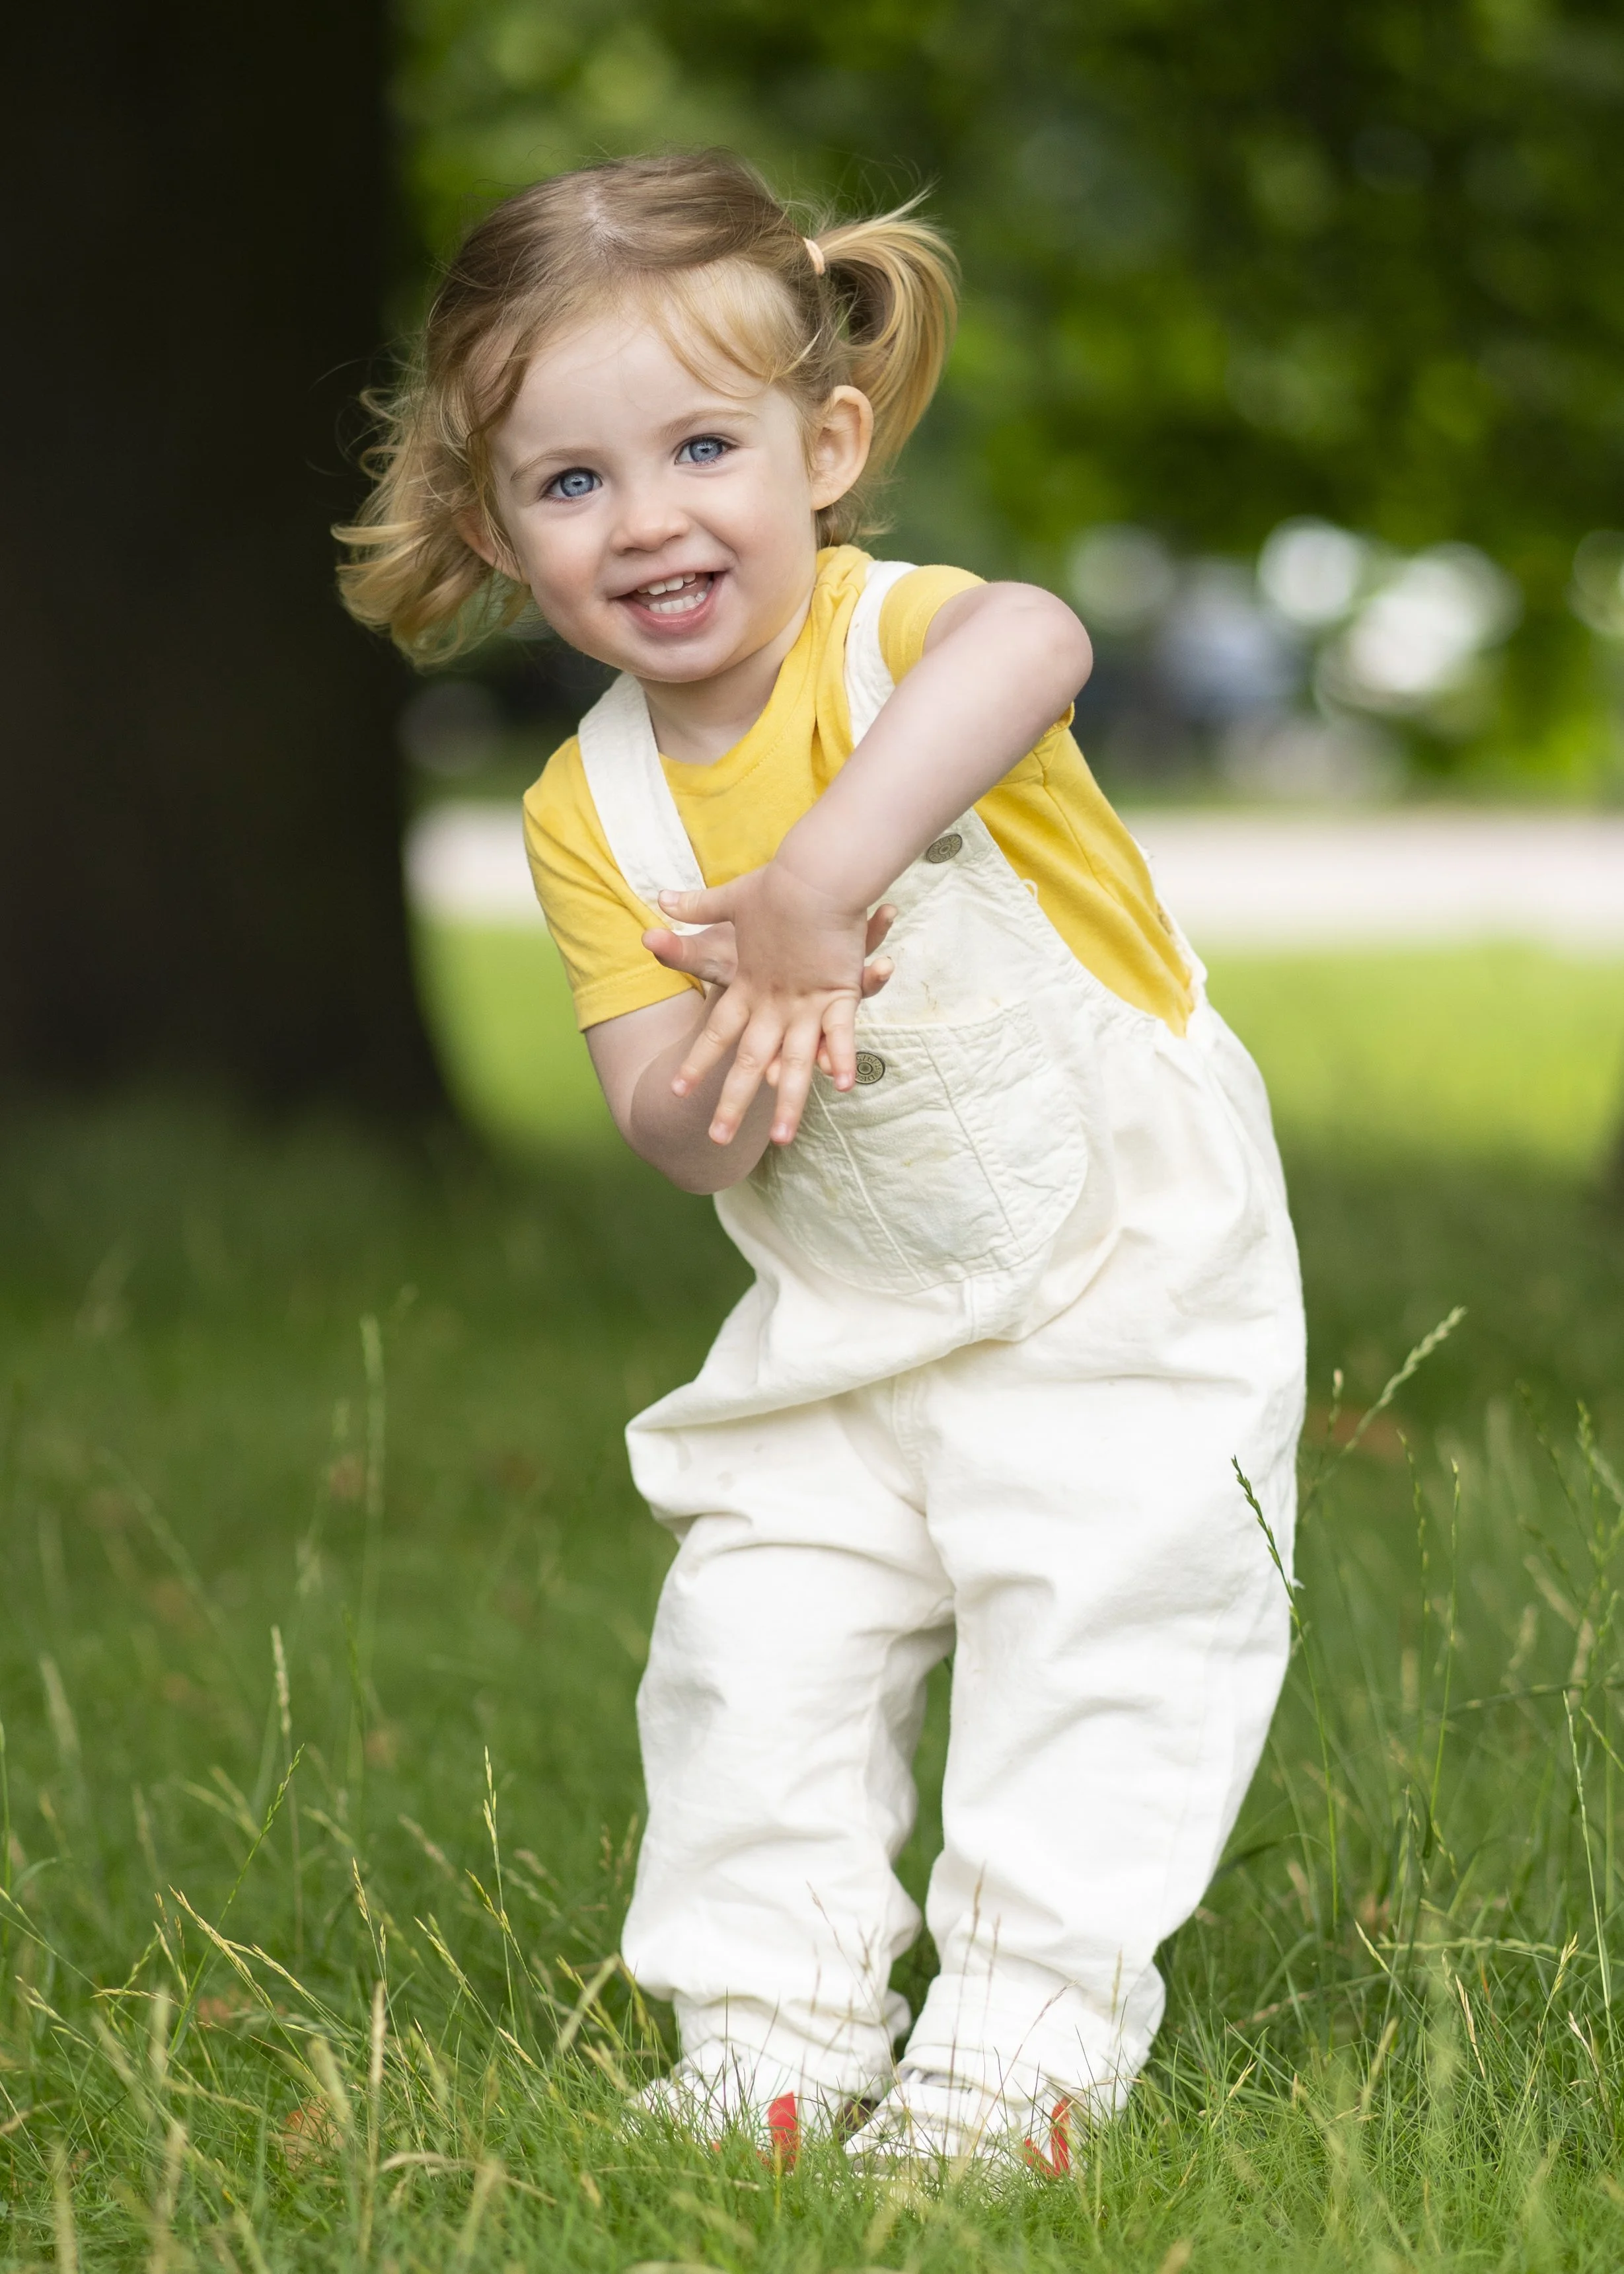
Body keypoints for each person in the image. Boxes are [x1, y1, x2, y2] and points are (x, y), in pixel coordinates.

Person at [338, 149, 1306, 2170]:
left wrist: (822, 880)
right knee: (754, 1647)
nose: (650, 517)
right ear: (499, 528)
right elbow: (663, 1131)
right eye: (572, 481)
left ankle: (1019, 2053)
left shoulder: (900, 645)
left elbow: (1038, 644)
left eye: (704, 445)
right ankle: (765, 2042)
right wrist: (732, 1067)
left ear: (826, 441)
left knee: (1100, 1630)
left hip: (1126, 1271)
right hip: (848, 1312)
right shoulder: (590, 806)